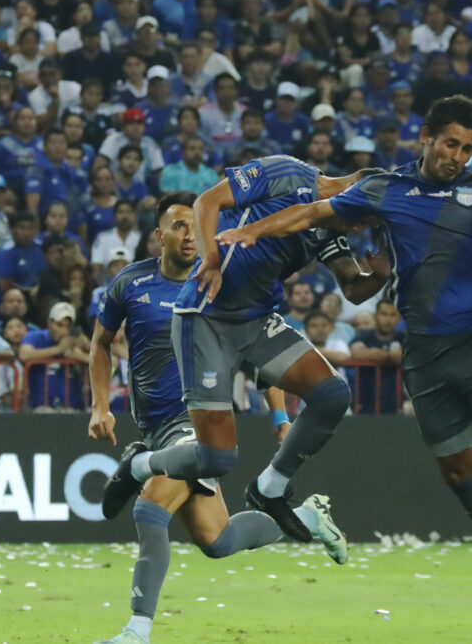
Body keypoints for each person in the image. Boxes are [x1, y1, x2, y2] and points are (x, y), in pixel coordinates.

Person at [214, 96, 472, 622]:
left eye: (467, 148)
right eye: (450, 144)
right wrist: (250, 230)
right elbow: (313, 213)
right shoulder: (384, 190)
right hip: (423, 352)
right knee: (460, 472)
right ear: (425, 137)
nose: (457, 157)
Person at [88, 192, 345, 644]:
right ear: (159, 234)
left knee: (150, 509)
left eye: (195, 225)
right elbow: (99, 343)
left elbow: (259, 347)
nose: (190, 235)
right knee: (218, 540)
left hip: (195, 421)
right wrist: (99, 404)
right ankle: (308, 517)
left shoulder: (224, 283)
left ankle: (136, 631)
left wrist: (280, 414)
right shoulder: (129, 284)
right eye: (179, 226)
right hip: (154, 427)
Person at [100, 156, 390, 547]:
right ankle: (139, 465)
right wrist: (211, 260)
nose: (357, 229)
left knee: (333, 394)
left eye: (366, 226)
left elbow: (353, 288)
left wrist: (381, 276)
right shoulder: (287, 172)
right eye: (359, 219)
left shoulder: (326, 228)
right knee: (218, 460)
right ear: (351, 191)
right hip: (207, 317)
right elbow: (207, 202)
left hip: (256, 321)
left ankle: (270, 488)